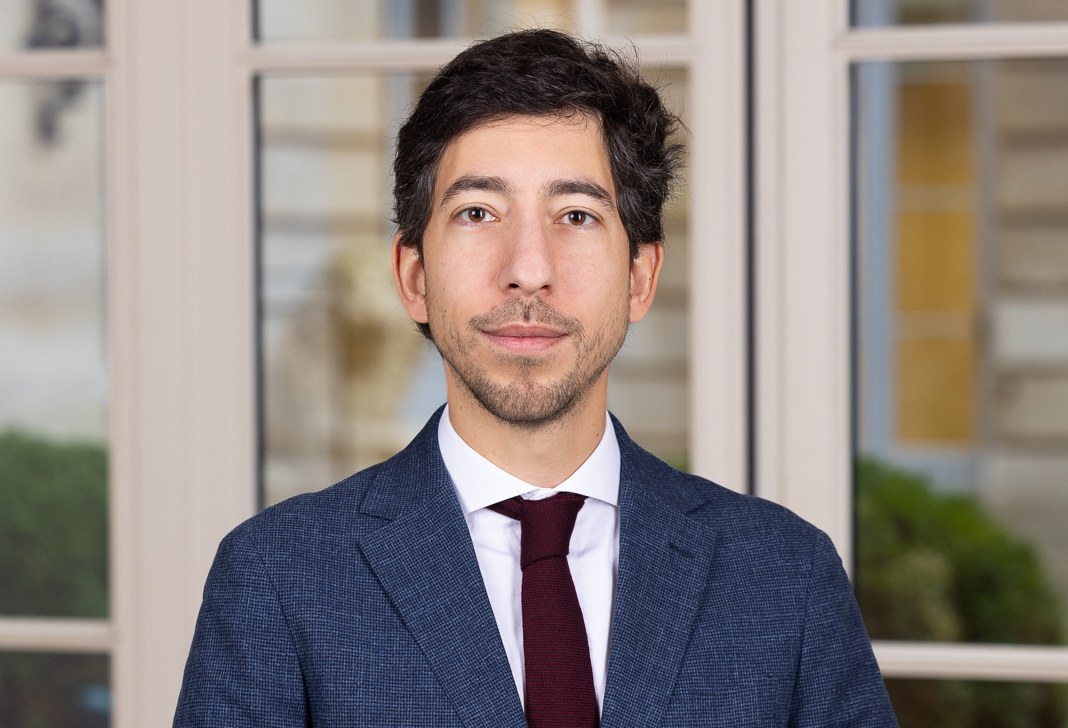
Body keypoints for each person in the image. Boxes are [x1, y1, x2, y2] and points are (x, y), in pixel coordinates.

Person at [173, 29, 897, 728]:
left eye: (575, 215)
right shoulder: (276, 578)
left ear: (640, 277)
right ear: (414, 276)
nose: (528, 269)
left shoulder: (787, 577)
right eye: (478, 213)